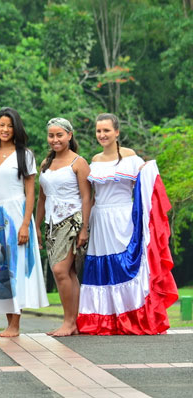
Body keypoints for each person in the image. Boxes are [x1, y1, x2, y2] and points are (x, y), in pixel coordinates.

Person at [77, 113, 178, 335]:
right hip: (100, 217)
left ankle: (132, 318)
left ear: (117, 132)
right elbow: (91, 196)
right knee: (103, 267)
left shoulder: (131, 158)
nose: (102, 135)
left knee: (126, 265)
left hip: (123, 218)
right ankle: (106, 320)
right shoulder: (94, 160)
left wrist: (148, 170)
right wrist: (85, 225)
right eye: (98, 131)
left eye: (106, 130)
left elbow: (145, 182)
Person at [0, 107, 49, 337]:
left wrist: (26, 224)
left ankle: (15, 325)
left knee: (18, 266)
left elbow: (30, 193)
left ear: (16, 128)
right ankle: (9, 323)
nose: (5, 129)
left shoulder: (24, 155)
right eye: (1, 125)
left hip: (17, 214)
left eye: (9, 125)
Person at [35, 117, 91, 337]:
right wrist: (36, 226)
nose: (55, 139)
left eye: (59, 135)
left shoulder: (78, 162)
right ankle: (72, 322)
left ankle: (68, 322)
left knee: (60, 271)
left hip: (72, 220)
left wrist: (84, 228)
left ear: (69, 135)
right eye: (51, 135)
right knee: (67, 273)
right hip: (50, 223)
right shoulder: (46, 163)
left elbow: (87, 197)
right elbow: (41, 198)